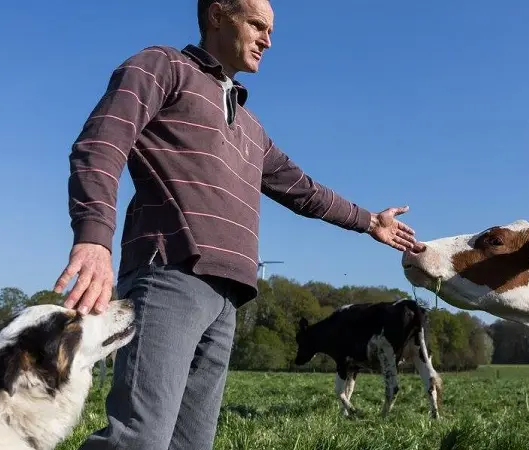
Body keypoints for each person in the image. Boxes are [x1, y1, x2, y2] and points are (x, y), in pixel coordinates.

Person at [53, 0, 420, 449]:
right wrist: (94, 238)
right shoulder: (162, 66)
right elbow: (100, 143)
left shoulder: (250, 126)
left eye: (271, 30)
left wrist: (368, 221)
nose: (268, 39)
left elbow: (305, 190)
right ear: (217, 15)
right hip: (170, 273)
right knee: (139, 439)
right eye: (257, 25)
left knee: (192, 443)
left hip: (230, 297)